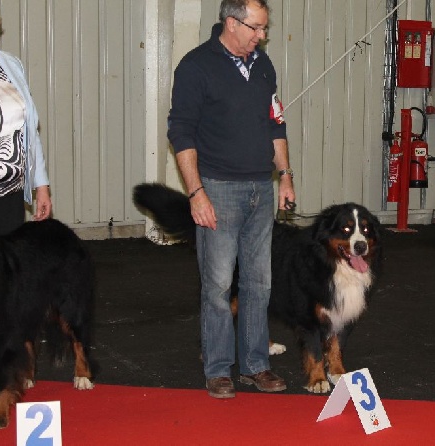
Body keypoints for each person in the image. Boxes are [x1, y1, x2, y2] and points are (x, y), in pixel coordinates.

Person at [167, 0, 295, 399]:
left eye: (264, 29)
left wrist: (286, 177)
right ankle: (218, 368)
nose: (262, 36)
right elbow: (181, 133)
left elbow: (276, 123)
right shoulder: (196, 66)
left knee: (260, 282)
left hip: (262, 185)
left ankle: (256, 365)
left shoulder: (263, 65)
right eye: (255, 28)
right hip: (218, 188)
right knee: (219, 283)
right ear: (231, 22)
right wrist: (196, 192)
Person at [0, 0, 51, 235]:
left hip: (10, 197)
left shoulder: (12, 66)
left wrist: (41, 186)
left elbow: (28, 130)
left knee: (6, 268)